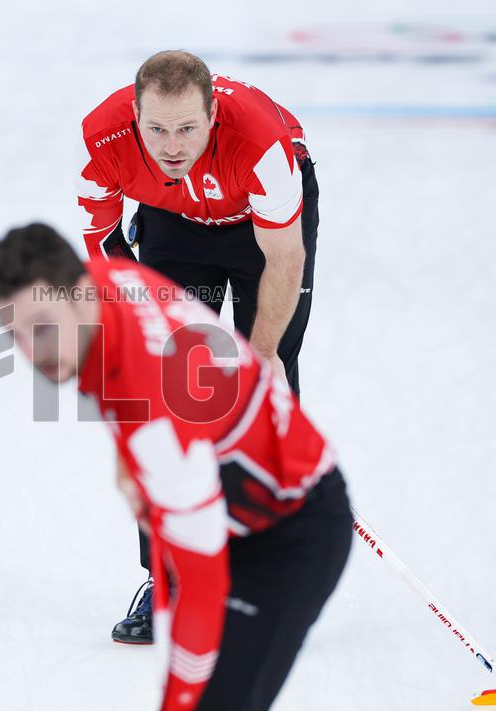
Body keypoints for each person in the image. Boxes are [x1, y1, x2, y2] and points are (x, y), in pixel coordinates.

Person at [0, 224, 350, 711]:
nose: (31, 353)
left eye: (42, 328)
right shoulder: (107, 279)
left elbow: (199, 583)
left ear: (80, 293)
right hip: (230, 492)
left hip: (289, 533)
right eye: (15, 334)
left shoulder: (158, 425)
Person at [76, 50, 320, 642]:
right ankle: (168, 576)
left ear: (213, 113)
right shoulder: (103, 138)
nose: (171, 145)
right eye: (156, 128)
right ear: (134, 116)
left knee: (268, 388)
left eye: (187, 127)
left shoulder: (262, 144)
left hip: (261, 235)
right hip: (175, 225)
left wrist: (262, 356)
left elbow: (284, 260)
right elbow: (103, 243)